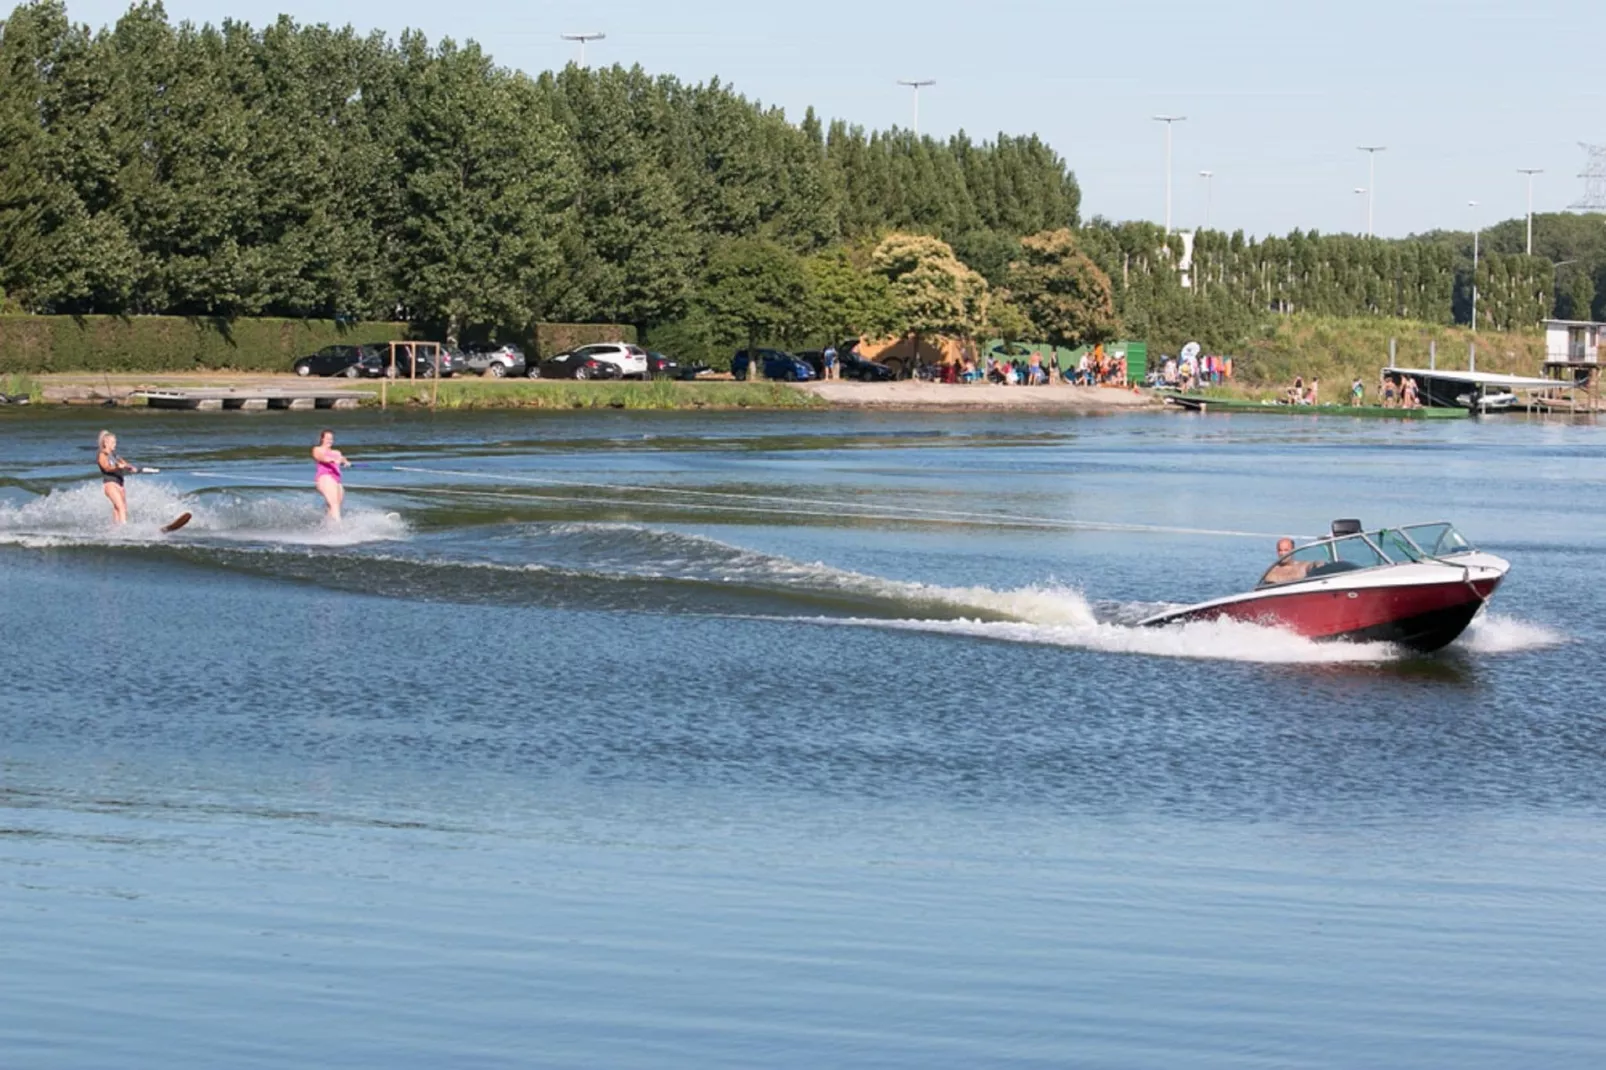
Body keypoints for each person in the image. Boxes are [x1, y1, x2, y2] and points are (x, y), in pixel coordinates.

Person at [96, 430, 139, 525]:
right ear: (106, 443)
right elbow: (106, 467)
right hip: (110, 484)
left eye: (115, 442)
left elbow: (124, 463)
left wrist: (131, 468)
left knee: (120, 507)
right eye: (113, 442)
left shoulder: (114, 455)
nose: (115, 444)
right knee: (121, 507)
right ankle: (124, 528)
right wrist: (117, 467)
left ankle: (115, 528)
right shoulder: (102, 454)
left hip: (120, 484)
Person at [311, 429, 350, 522]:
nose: (330, 441)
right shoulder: (317, 449)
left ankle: (327, 526)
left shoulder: (337, 452)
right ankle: (339, 526)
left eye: (331, 439)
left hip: (337, 480)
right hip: (324, 477)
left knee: (335, 506)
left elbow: (342, 459)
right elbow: (321, 458)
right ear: (322, 439)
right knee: (334, 504)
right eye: (327, 438)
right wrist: (332, 460)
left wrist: (345, 462)